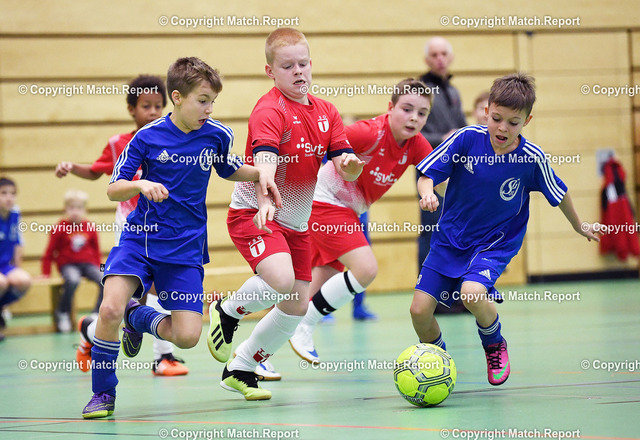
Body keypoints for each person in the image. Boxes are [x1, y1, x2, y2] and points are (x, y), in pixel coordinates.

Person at [81, 57, 280, 418]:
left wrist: (261, 174)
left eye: (213, 101)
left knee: (187, 336)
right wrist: (141, 184)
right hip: (140, 241)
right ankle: (103, 393)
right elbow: (113, 189)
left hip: (185, 249)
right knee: (108, 309)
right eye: (202, 101)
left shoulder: (217, 135)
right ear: (177, 97)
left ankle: (136, 317)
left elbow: (229, 168)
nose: (209, 109)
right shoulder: (147, 136)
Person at [411, 72, 602, 386]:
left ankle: (494, 342)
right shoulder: (466, 138)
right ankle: (440, 364)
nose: (502, 128)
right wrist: (427, 193)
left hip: (493, 244)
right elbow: (426, 174)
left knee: (471, 294)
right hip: (450, 239)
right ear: (487, 111)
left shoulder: (531, 159)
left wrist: (579, 224)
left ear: (527, 121)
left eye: (513, 123)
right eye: (496, 118)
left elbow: (560, 193)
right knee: (419, 312)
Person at [206, 27, 364, 401]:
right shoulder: (269, 110)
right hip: (254, 212)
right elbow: (265, 162)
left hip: (296, 222)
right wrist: (264, 199)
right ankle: (227, 310)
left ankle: (241, 367)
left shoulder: (327, 112)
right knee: (280, 279)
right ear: (270, 71)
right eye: (288, 66)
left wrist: (350, 166)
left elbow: (343, 162)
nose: (298, 72)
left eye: (303, 64)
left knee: (295, 304)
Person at [289, 78, 434, 363]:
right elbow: (324, 142)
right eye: (407, 109)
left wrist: (428, 192)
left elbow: (430, 172)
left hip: (348, 210)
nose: (414, 118)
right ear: (390, 107)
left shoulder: (416, 144)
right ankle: (305, 324)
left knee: (309, 288)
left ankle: (252, 355)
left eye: (422, 113)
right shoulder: (369, 132)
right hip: (325, 201)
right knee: (365, 269)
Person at [56, 75, 188, 376]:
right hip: (131, 229)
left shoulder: (174, 138)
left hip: (164, 228)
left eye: (158, 106)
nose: (153, 112)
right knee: (132, 298)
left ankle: (157, 355)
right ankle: (149, 351)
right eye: (146, 106)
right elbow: (96, 171)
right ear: (131, 109)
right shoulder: (119, 144)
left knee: (157, 291)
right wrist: (71, 167)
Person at [417, 36, 468, 313]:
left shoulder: (453, 90)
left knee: (456, 234)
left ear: (450, 57)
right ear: (427, 59)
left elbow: (462, 129)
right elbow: (414, 132)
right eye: (434, 54)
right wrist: (442, 138)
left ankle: (456, 296)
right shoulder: (420, 90)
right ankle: (430, 298)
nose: (439, 59)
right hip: (432, 173)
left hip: (456, 174)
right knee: (432, 233)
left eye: (443, 53)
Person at [41, 190, 102, 332]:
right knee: (73, 280)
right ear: (65, 209)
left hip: (88, 264)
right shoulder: (60, 227)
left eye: (79, 208)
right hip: (68, 265)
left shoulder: (90, 227)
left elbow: (96, 251)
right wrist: (46, 272)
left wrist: (101, 268)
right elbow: (50, 251)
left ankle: (96, 313)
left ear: (85, 210)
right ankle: (63, 312)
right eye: (71, 208)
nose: (75, 212)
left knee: (104, 279)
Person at [0, 178, 32, 342]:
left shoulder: (15, 213)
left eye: (12, 194)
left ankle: (1, 308)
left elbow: (18, 243)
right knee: (1, 283)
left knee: (24, 280)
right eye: (3, 193)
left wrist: (17, 267)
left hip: (5, 265)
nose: (9, 198)